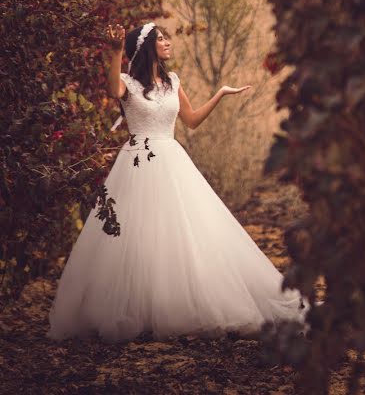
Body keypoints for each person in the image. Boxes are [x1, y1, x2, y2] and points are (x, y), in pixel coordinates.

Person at [47, 22, 308, 343]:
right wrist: (115, 54)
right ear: (145, 48)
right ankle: (138, 308)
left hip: (172, 159)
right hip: (138, 160)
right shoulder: (128, 82)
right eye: (160, 39)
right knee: (135, 233)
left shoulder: (172, 81)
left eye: (167, 37)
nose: (167, 42)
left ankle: (178, 303)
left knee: (182, 231)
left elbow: (192, 120)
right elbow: (112, 90)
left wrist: (220, 94)